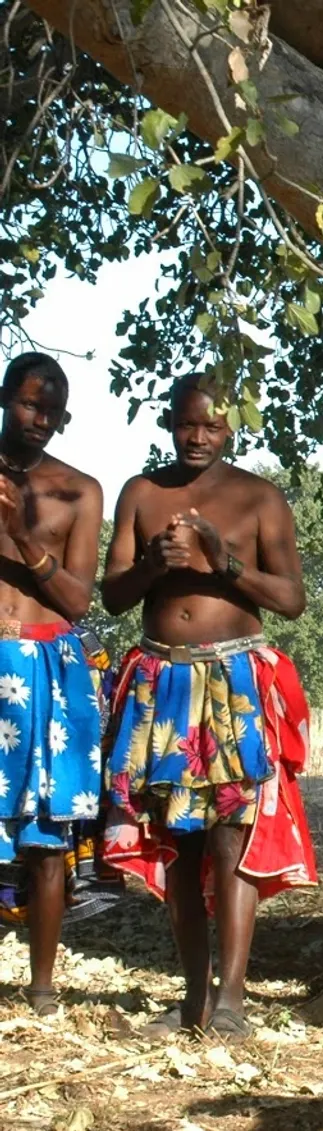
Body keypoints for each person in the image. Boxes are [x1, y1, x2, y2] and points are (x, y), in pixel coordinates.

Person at [99, 373, 318, 1038]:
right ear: (169, 421)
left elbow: (291, 600)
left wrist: (226, 564)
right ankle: (193, 1000)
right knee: (178, 845)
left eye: (212, 426)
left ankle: (232, 1001)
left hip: (233, 683)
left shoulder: (258, 497)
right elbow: (112, 596)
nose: (197, 437)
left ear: (231, 428)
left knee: (231, 841)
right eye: (186, 423)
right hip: (159, 682)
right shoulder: (142, 492)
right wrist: (155, 567)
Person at [0, 354, 105, 1016]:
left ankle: (42, 989)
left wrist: (18, 534)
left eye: (53, 411)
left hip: (49, 666)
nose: (40, 420)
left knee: (46, 837)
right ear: (5, 397)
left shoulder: (79, 491)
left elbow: (77, 601)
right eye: (30, 403)